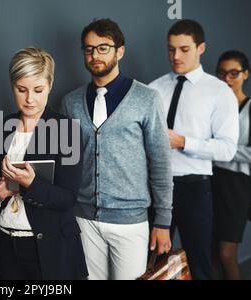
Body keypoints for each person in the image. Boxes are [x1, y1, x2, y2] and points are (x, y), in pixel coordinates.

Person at [60, 19, 173, 280]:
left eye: (103, 48)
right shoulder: (71, 101)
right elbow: (66, 162)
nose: (94, 55)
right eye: (88, 49)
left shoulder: (147, 98)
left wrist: (163, 221)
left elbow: (160, 161)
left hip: (130, 221)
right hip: (84, 219)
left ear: (119, 51)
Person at [0, 47, 88, 280]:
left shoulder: (67, 131)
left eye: (38, 90)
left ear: (50, 85)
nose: (30, 99)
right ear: (12, 86)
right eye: (21, 90)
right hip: (5, 246)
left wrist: (31, 183)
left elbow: (68, 199)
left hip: (48, 250)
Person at [149, 20, 239, 280]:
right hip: (155, 187)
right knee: (152, 263)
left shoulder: (219, 92)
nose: (176, 56)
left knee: (199, 263)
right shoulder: (154, 88)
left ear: (201, 48)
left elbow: (227, 150)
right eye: (171, 49)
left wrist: (183, 142)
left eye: (184, 49)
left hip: (194, 188)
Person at [212, 50, 250, 280]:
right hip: (212, 181)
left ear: (245, 74)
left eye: (234, 73)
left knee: (227, 254)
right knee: (211, 252)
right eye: (222, 73)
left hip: (237, 187)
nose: (227, 79)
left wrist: (217, 150)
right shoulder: (215, 108)